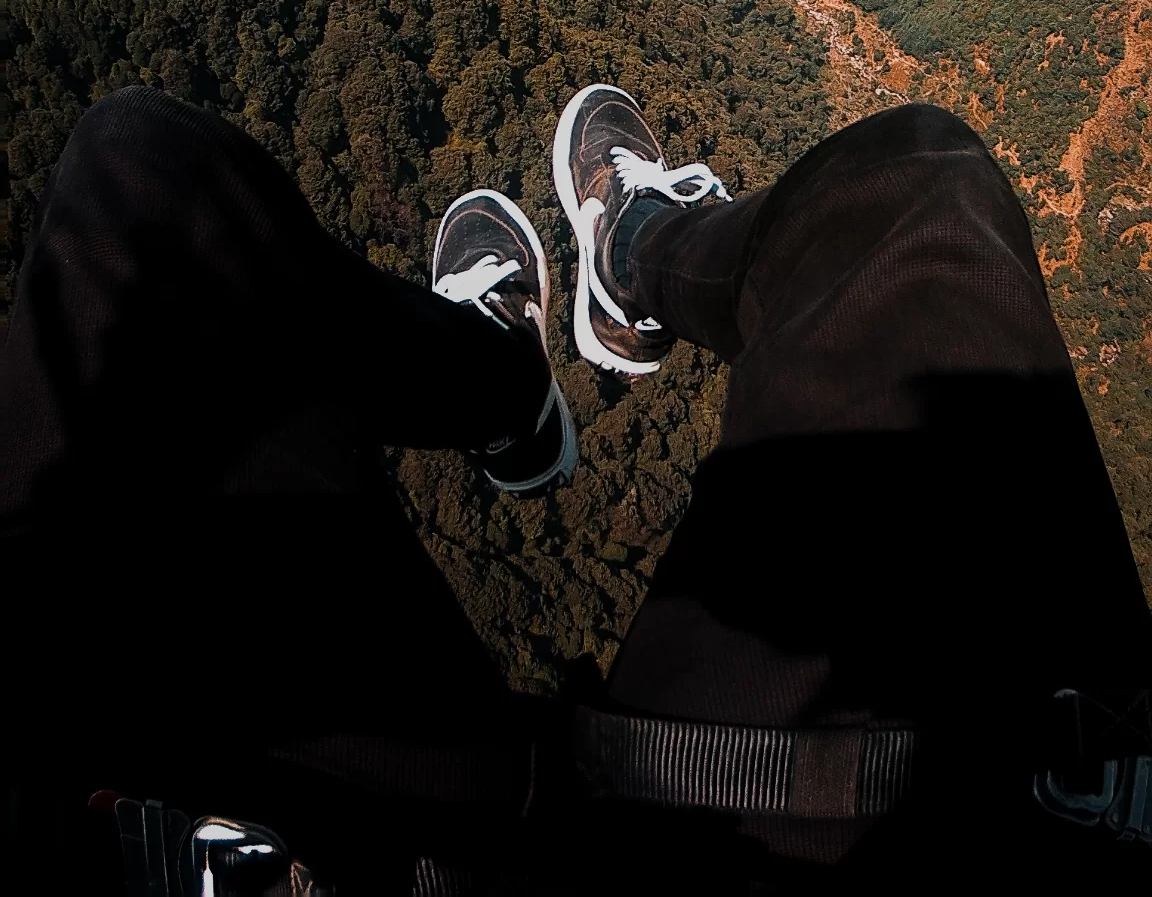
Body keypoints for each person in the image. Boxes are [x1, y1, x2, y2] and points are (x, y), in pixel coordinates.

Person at [4, 83, 1149, 894]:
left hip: (269, 788)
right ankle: (633, 253)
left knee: (139, 180)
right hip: (907, 817)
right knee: (917, 196)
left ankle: (503, 381)